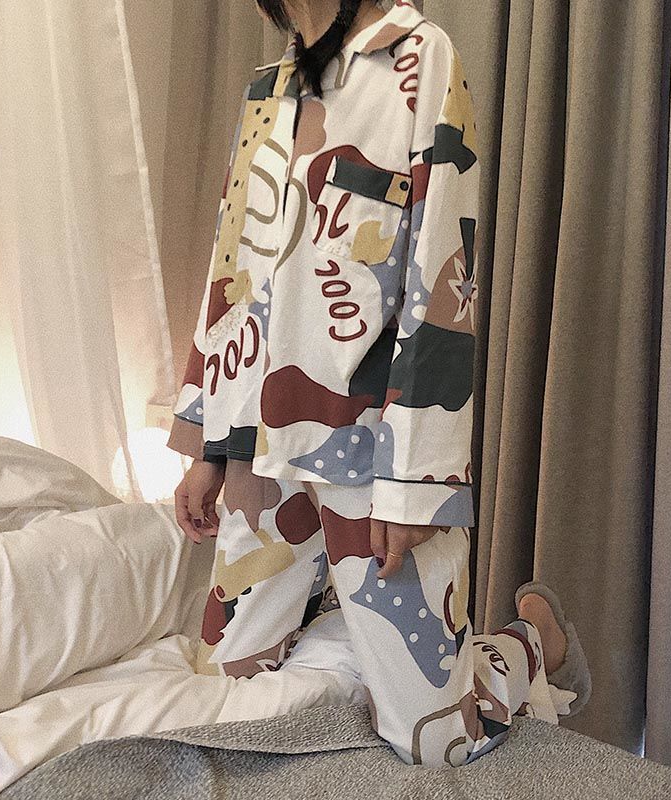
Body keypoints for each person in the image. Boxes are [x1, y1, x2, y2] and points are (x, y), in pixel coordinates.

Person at [166, 0, 591, 768]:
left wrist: (413, 487)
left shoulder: (422, 60)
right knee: (228, 699)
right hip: (259, 449)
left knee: (438, 740)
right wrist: (208, 443)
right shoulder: (269, 88)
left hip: (370, 453)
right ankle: (352, 635)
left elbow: (440, 286)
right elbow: (233, 270)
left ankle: (534, 639)